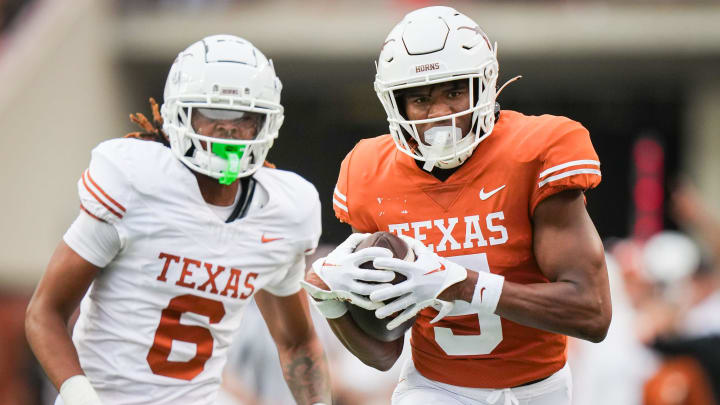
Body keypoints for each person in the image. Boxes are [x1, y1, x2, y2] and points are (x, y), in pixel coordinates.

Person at [302, 6, 611, 405]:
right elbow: (382, 355)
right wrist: (330, 299)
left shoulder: (537, 151)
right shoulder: (368, 173)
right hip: (435, 387)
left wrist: (460, 284)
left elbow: (593, 313)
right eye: (420, 99)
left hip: (541, 389)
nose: (441, 114)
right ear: (396, 105)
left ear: (483, 85)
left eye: (453, 91)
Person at [25, 35, 331, 405]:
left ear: (266, 123)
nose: (229, 129)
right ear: (179, 115)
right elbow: (44, 312)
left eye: (245, 117)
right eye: (214, 114)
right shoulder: (136, 185)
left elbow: (297, 342)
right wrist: (81, 396)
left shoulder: (283, 213)